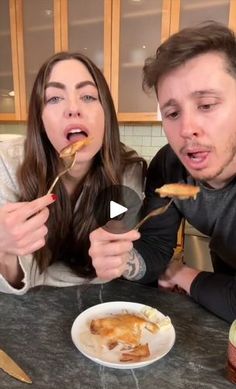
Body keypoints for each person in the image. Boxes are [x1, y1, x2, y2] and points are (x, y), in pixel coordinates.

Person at [89, 21, 236, 323]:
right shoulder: (169, 165)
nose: (186, 130)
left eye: (206, 105)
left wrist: (184, 274)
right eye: (172, 113)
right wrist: (123, 260)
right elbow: (156, 248)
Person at [0, 51, 145, 294]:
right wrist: (4, 253)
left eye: (88, 96)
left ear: (106, 115)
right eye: (55, 98)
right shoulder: (7, 163)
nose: (73, 108)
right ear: (41, 121)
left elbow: (110, 265)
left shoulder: (127, 171)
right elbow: (19, 277)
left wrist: (115, 260)